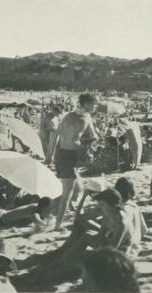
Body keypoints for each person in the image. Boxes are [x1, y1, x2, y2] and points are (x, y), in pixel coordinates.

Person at [48, 93, 99, 230]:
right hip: (70, 156)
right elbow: (94, 137)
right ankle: (57, 225)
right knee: (68, 193)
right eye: (94, 104)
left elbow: (55, 136)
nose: (96, 107)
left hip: (62, 155)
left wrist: (50, 155)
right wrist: (89, 143)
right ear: (87, 104)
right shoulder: (85, 118)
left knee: (77, 188)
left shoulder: (68, 116)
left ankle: (62, 213)